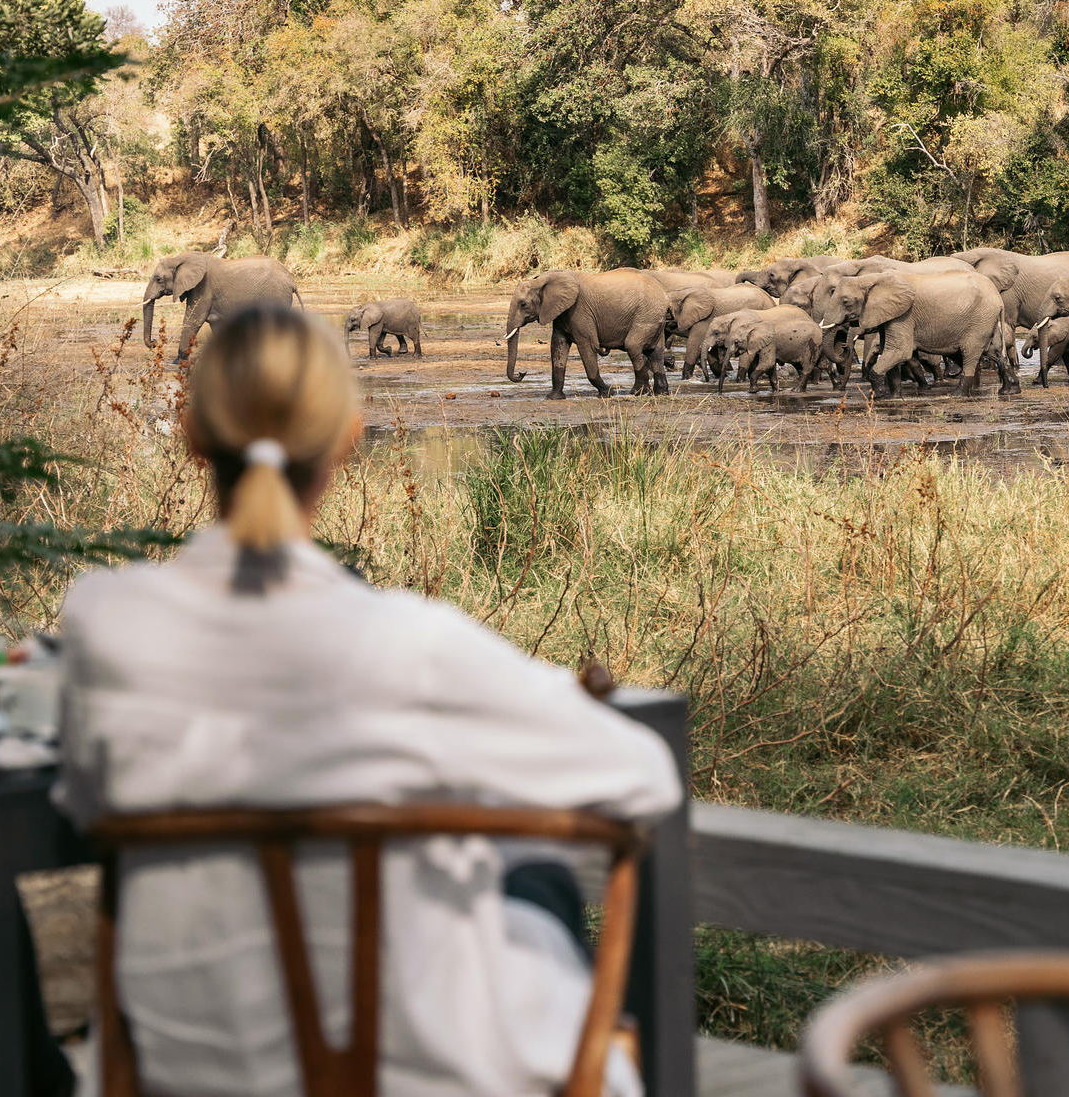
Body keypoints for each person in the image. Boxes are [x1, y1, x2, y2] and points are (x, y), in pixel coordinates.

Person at [55, 305, 681, 1097]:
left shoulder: (101, 619)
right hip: (418, 1074)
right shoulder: (406, 643)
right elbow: (645, 778)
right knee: (532, 872)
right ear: (348, 438)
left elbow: (81, 802)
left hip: (186, 1071)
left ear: (190, 437)